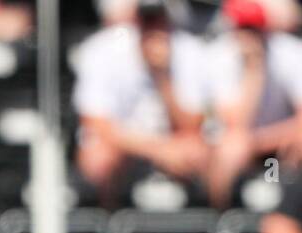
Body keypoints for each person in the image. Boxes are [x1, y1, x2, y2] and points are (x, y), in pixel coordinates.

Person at [72, 0, 208, 207]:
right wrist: (157, 150)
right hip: (126, 142)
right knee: (97, 157)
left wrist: (162, 76)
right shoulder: (102, 49)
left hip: (173, 140)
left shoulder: (190, 50)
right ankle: (106, 226)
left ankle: (207, 231)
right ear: (135, 21)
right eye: (147, 21)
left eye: (160, 21)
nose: (154, 29)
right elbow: (96, 123)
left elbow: (193, 124)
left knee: (201, 151)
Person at [206, 0, 302, 208]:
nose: (249, 35)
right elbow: (235, 125)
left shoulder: (289, 50)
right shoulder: (218, 56)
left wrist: (274, 140)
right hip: (238, 143)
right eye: (243, 28)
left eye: (254, 28)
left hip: (280, 141)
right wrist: (254, 72)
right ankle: (220, 220)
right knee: (232, 149)